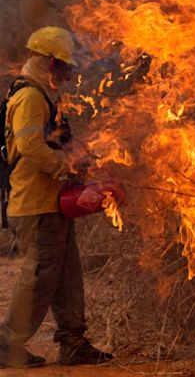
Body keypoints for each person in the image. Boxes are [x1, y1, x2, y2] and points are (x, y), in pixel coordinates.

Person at [0, 26, 112, 368]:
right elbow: (32, 147)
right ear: (48, 61)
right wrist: (64, 166)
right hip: (36, 202)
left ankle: (73, 342)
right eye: (63, 65)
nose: (68, 72)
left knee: (66, 273)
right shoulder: (31, 97)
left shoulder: (43, 96)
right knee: (40, 275)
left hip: (52, 202)